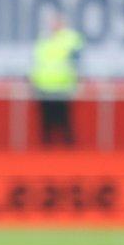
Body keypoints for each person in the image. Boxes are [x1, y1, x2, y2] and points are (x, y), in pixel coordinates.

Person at [29, 14, 82, 147]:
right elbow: (36, 63)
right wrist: (33, 83)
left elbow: (77, 60)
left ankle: (69, 150)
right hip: (44, 86)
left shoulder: (70, 39)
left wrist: (76, 84)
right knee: (46, 121)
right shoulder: (44, 40)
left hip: (63, 86)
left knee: (64, 119)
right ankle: (47, 150)